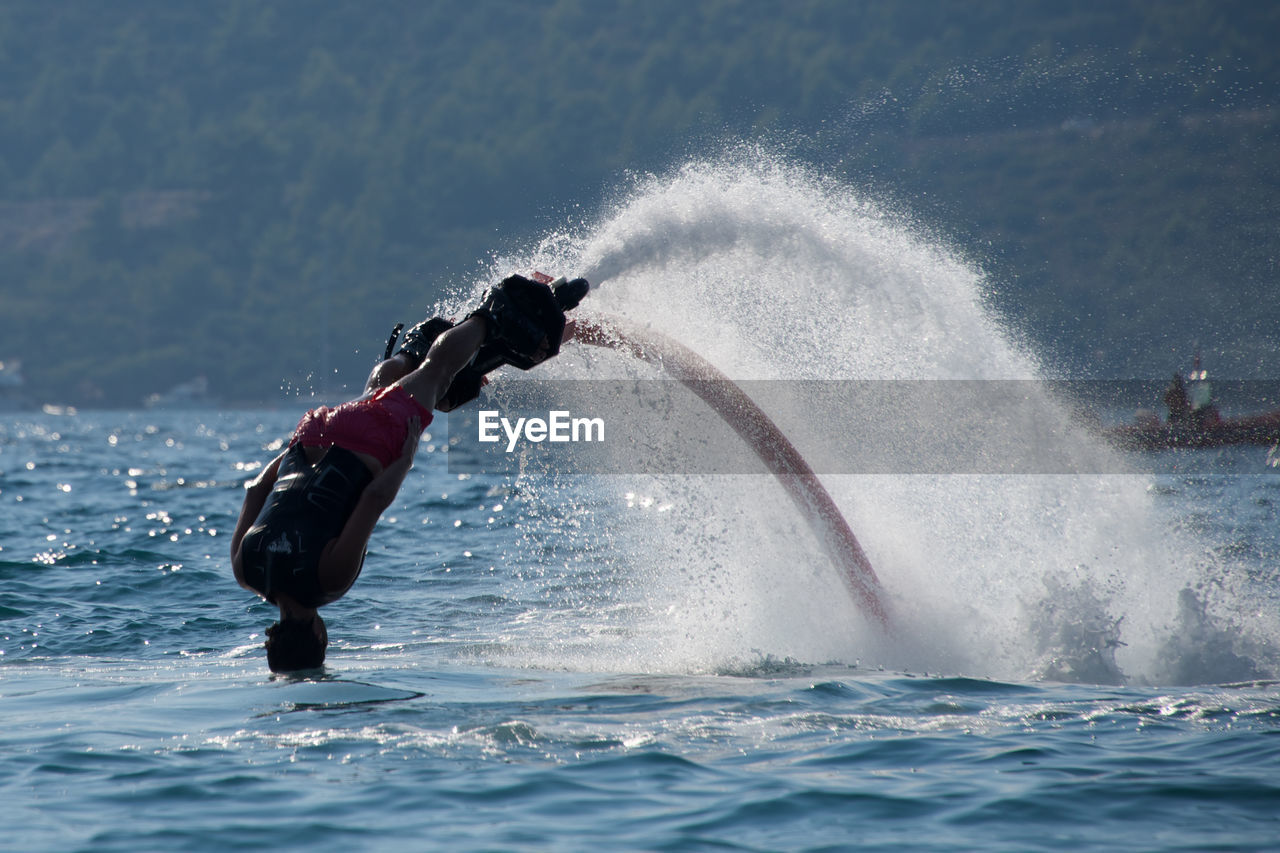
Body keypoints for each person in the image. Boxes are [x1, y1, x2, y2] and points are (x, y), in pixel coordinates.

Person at [231, 273, 586, 672]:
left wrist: (406, 457)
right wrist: (298, 449)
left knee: (437, 373)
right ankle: (412, 353)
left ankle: (495, 313)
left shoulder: (328, 580)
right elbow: (258, 486)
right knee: (383, 389)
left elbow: (374, 500)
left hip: (366, 448)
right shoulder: (246, 569)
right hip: (314, 434)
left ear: (320, 639)